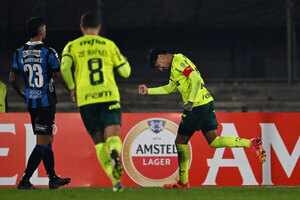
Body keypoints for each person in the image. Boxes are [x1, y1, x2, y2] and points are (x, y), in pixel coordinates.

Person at [138, 48, 266, 189]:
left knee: (180, 141)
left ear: (161, 57)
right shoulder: (176, 65)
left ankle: (183, 181)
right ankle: (251, 143)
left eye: (158, 65)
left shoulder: (179, 61)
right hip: (206, 103)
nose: (161, 69)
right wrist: (148, 90)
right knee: (214, 141)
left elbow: (195, 79)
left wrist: (191, 101)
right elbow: (170, 88)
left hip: (197, 106)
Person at [60, 12, 131, 192]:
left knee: (99, 142)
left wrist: (72, 87)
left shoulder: (72, 45)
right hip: (109, 96)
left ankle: (115, 182)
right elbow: (125, 73)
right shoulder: (109, 45)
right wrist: (125, 62)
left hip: (86, 99)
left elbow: (64, 67)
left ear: (82, 28)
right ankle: (115, 152)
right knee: (113, 137)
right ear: (99, 28)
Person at [9, 16, 71, 190]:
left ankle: (52, 178)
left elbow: (12, 79)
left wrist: (22, 93)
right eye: (44, 27)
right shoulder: (48, 52)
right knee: (42, 142)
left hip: (31, 102)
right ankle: (25, 180)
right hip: (46, 103)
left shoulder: (19, 52)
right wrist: (71, 90)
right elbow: (59, 76)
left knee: (47, 138)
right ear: (41, 30)